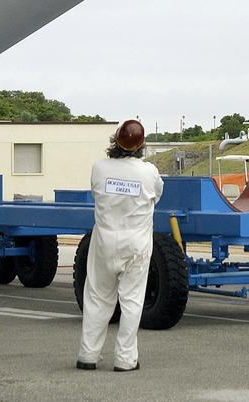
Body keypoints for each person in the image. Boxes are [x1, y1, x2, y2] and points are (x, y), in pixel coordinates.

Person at [77, 119, 163, 373]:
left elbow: (95, 193)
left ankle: (88, 355)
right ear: (142, 145)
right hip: (136, 242)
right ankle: (125, 360)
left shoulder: (100, 168)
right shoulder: (149, 172)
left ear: (115, 140)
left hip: (104, 240)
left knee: (96, 298)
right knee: (132, 300)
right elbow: (156, 196)